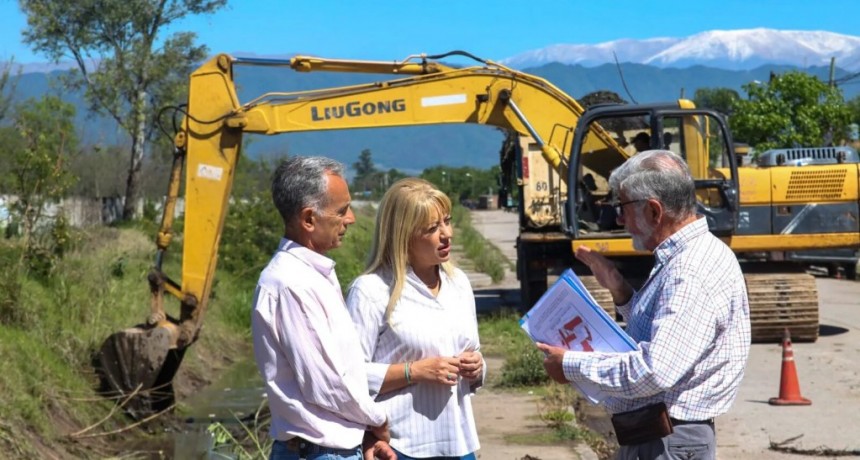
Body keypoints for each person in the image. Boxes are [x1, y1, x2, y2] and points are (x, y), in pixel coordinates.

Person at [537, 150, 751, 459]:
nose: (621, 219)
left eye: (623, 208)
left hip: (667, 441)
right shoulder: (687, 256)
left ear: (654, 211)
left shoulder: (688, 271)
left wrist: (569, 364)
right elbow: (662, 333)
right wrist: (619, 288)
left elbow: (654, 371)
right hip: (663, 436)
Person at [250, 156, 396, 460]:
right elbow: (327, 384)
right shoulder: (291, 283)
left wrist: (363, 432)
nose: (351, 219)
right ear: (308, 219)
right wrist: (376, 419)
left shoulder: (312, 276)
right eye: (341, 211)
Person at [346, 177, 484, 460]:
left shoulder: (458, 283)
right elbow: (349, 376)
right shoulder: (371, 290)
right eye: (432, 228)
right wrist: (415, 371)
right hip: (399, 446)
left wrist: (477, 367)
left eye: (446, 221)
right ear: (403, 235)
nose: (447, 234)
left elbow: (476, 352)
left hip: (459, 443)